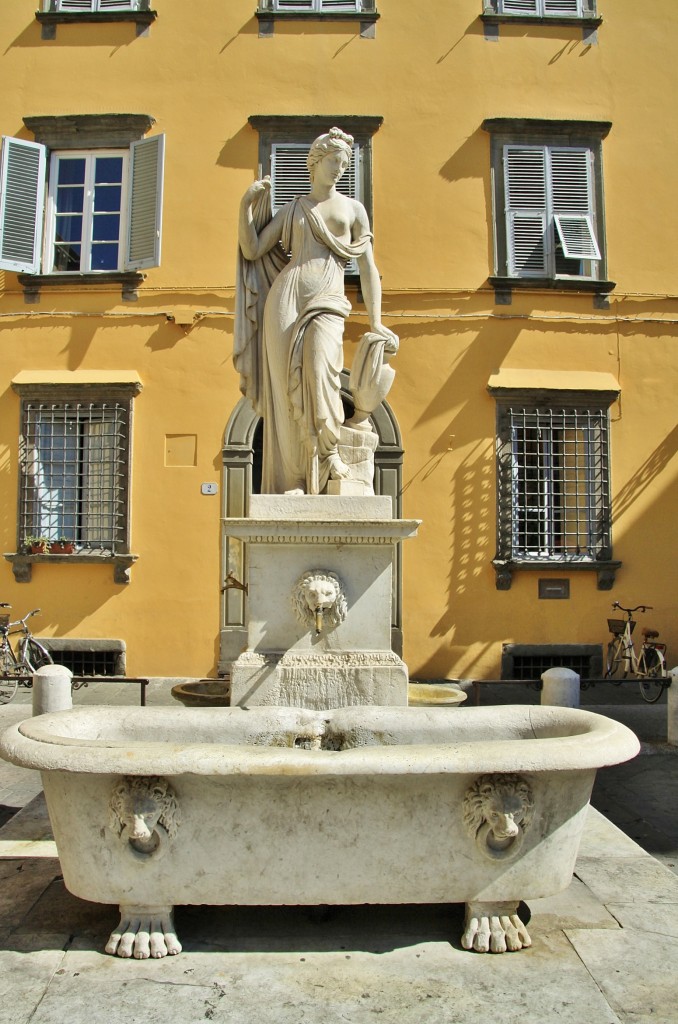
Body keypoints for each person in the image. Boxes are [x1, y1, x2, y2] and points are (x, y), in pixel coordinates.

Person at [235, 127, 398, 495]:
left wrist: (376, 321)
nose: (339, 168)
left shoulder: (353, 209)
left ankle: (330, 460)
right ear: (315, 161)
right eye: (333, 161)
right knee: (285, 389)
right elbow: (253, 249)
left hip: (328, 298)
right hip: (286, 297)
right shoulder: (294, 207)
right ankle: (292, 479)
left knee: (321, 378)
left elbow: (369, 268)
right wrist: (245, 206)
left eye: (344, 163)